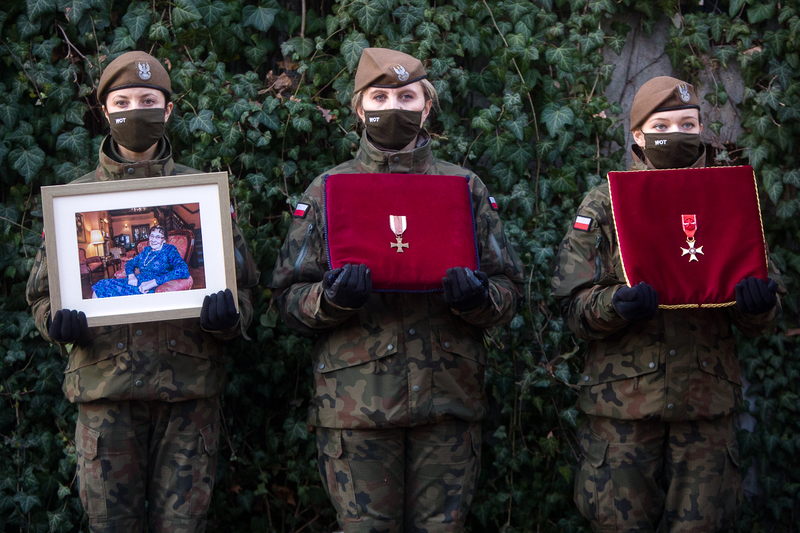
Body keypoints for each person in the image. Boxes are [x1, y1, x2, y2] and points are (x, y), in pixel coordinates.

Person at [270, 48, 524, 532]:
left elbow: (508, 291)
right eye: (381, 96)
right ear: (359, 108)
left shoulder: (464, 187)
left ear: (426, 107)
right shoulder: (327, 190)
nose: (394, 107)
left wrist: (477, 299)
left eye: (407, 96)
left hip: (447, 401)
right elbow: (286, 300)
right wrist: (331, 299)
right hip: (357, 407)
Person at [26, 51, 260, 533]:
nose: (136, 111)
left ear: (168, 110)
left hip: (188, 395)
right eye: (123, 100)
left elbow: (248, 293)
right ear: (106, 111)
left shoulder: (205, 197)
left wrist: (230, 317)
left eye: (149, 100)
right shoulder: (74, 200)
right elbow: (41, 295)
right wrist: (56, 320)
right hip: (106, 396)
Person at [551, 76, 783, 532]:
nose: (676, 134)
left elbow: (761, 305)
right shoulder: (604, 204)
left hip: (706, 406)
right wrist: (616, 304)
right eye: (662, 124)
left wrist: (757, 305)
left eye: (688, 123)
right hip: (622, 412)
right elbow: (571, 307)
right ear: (637, 134)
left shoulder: (730, 197)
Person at [92, 225, 190, 297]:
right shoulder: (146, 251)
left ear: (164, 240)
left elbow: (183, 270)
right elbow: (130, 263)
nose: (154, 240)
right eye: (152, 236)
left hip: (147, 288)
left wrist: (153, 282)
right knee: (101, 285)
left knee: (103, 290)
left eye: (158, 237)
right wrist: (131, 276)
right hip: (135, 282)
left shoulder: (169, 250)